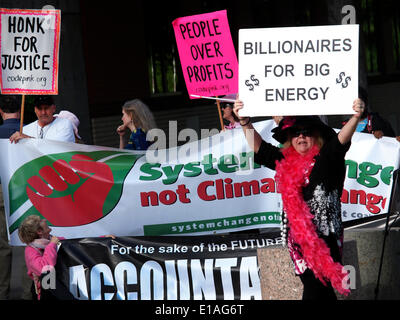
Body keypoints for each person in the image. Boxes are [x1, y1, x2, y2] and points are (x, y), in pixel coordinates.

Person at [233, 97, 365, 300]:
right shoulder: (285, 160)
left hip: (325, 240)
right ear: (289, 138)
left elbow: (341, 141)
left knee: (317, 289)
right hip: (297, 242)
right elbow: (259, 148)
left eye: (307, 133)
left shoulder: (327, 159)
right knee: (320, 291)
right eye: (296, 133)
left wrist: (355, 118)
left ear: (317, 136)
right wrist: (244, 122)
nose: (301, 137)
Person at [0, 95, 21, 299]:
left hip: (0, 192)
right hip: (25, 191)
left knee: (2, 247)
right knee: (27, 240)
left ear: (0, 112)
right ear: (21, 111)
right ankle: (30, 293)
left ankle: (2, 293)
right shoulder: (27, 133)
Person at [18, 215, 63, 300]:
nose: (44, 219)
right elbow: (44, 269)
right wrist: (51, 245)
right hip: (46, 290)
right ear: (39, 231)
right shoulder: (30, 250)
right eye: (40, 220)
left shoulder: (51, 240)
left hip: (58, 283)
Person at [9, 95, 75, 144]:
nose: (43, 112)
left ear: (54, 108)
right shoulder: (25, 129)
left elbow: (57, 149)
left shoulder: (64, 124)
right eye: (40, 109)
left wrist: (27, 139)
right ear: (35, 109)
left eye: (46, 108)